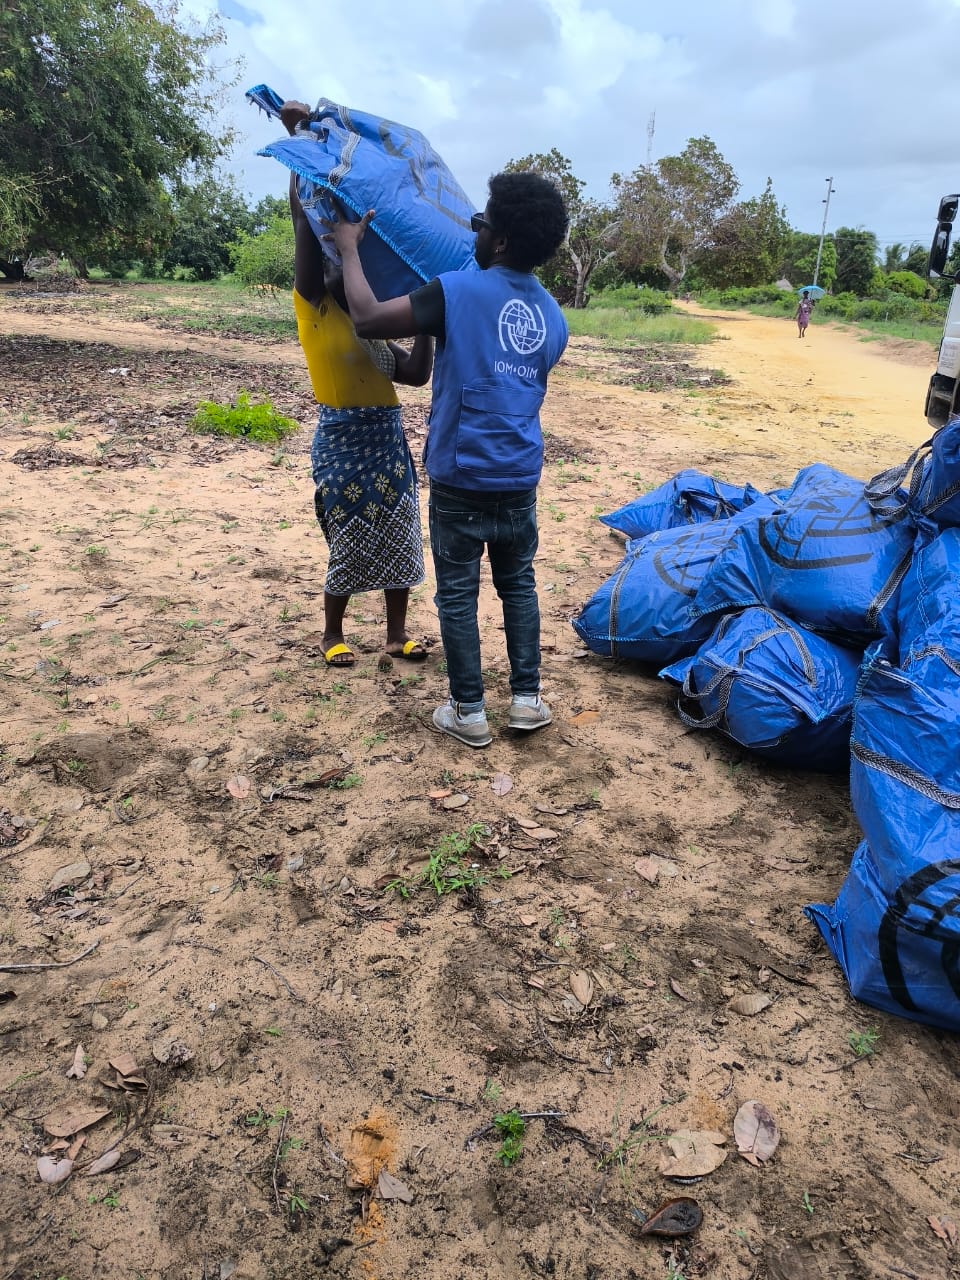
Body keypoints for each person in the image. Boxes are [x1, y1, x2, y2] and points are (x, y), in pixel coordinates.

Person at [331, 171, 569, 746]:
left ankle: (467, 711)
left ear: (503, 240)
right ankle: (527, 701)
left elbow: (366, 317)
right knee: (520, 586)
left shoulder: (456, 291)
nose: (475, 230)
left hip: (461, 478)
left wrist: (347, 247)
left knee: (458, 592)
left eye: (483, 223)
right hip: (519, 478)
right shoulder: (554, 317)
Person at [280, 100, 435, 668]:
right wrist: (295, 138)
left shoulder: (371, 328)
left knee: (399, 535)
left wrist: (427, 324)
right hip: (343, 438)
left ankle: (395, 635)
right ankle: (331, 634)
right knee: (348, 534)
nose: (344, 272)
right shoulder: (315, 310)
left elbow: (416, 375)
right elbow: (303, 220)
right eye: (340, 266)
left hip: (387, 437)